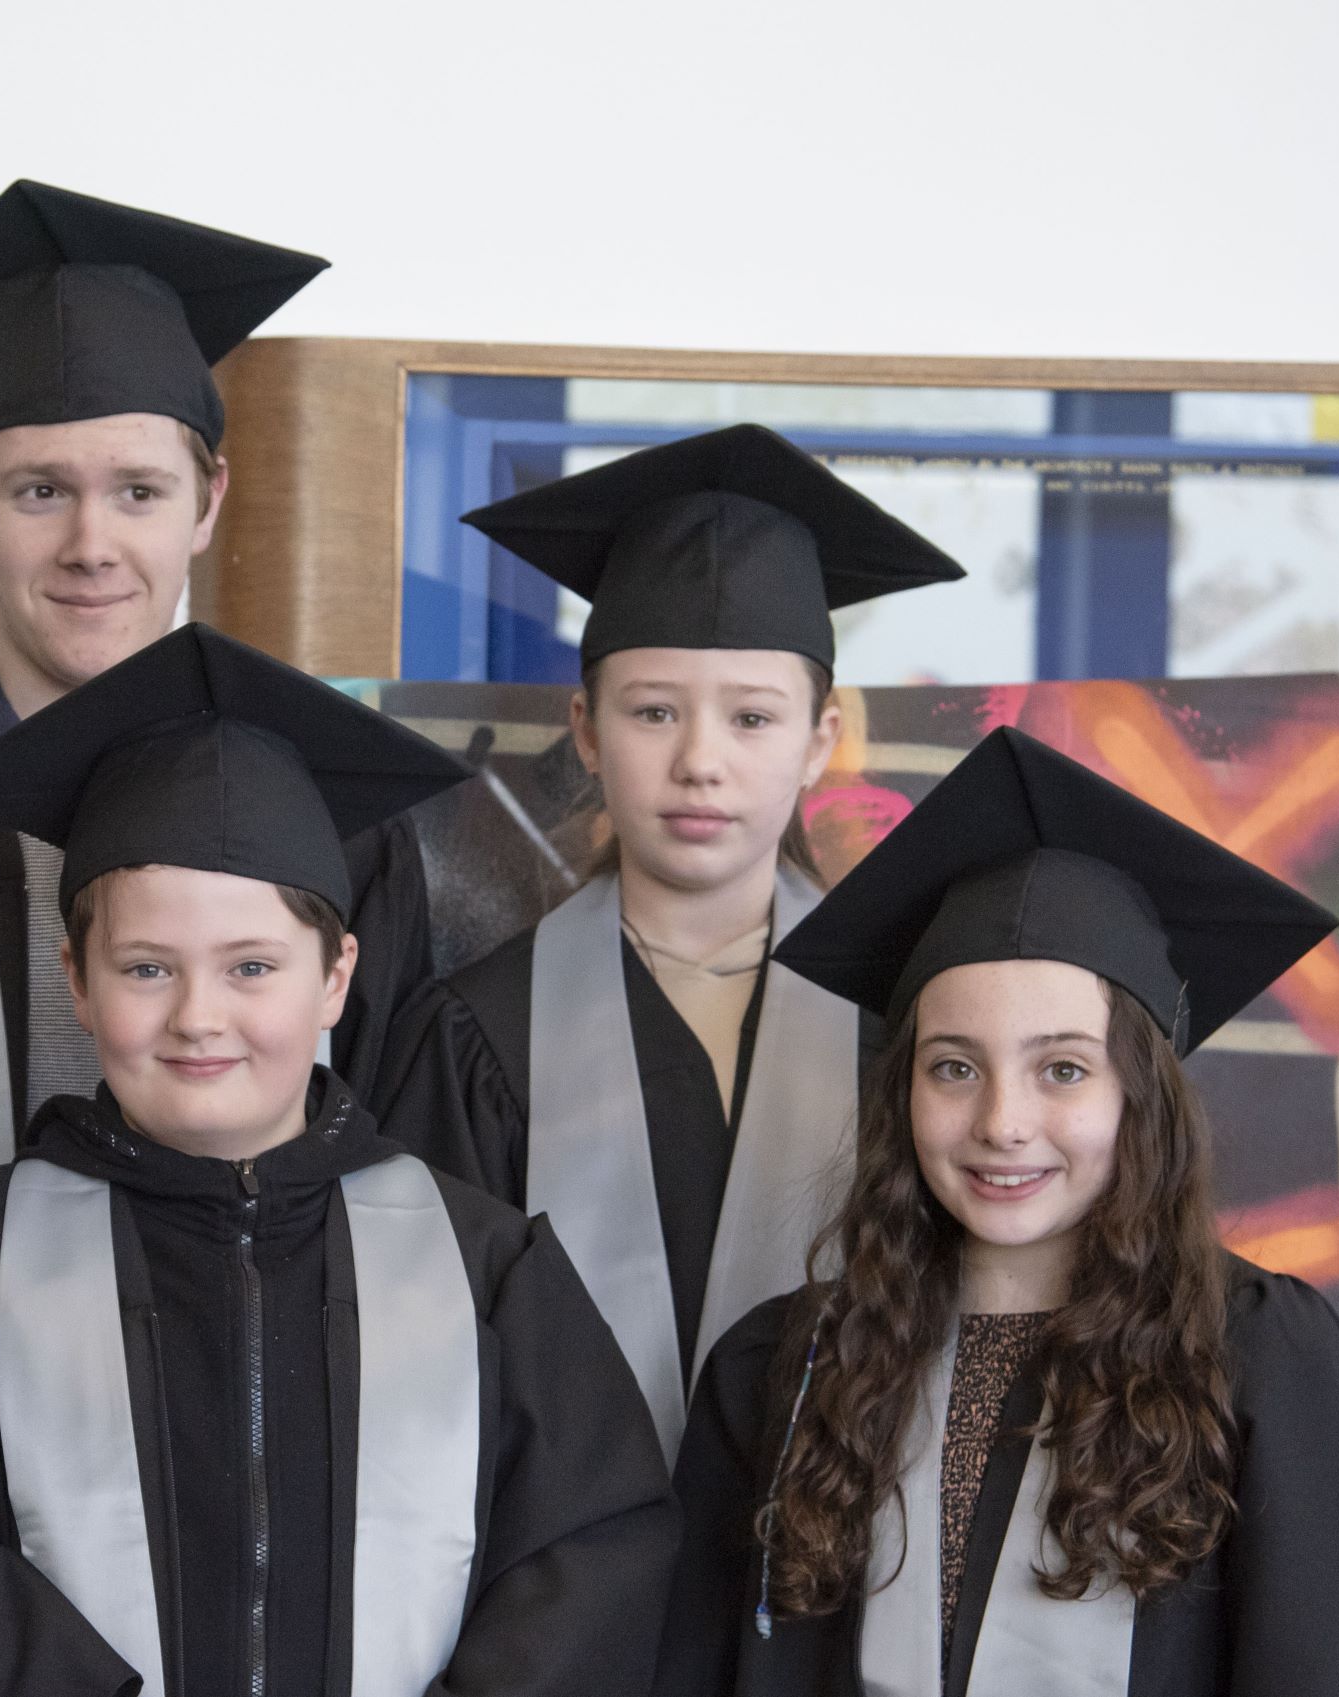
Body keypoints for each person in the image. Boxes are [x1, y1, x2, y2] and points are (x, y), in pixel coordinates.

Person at [0, 624, 679, 1696]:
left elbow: (589, 1559)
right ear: (77, 981)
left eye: (252, 966)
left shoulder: (491, 1276)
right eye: (146, 967)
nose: (198, 1017)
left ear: (334, 981)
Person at [0, 180, 436, 1330]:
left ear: (208, 499)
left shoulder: (339, 814)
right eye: (39, 491)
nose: (91, 545)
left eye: (138, 491)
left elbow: (400, 1176)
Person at [661, 726, 1339, 1696]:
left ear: (1138, 1093)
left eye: (1062, 1068)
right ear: (902, 1089)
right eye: (953, 1066)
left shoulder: (1252, 1360)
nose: (1002, 1122)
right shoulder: (783, 1371)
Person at [373, 423, 963, 1463]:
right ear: (588, 731)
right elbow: (419, 1372)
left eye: (751, 718)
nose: (699, 762)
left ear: (821, 741)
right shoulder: (476, 1035)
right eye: (653, 712)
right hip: (563, 1591)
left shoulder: (902, 1028)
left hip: (844, 1585)